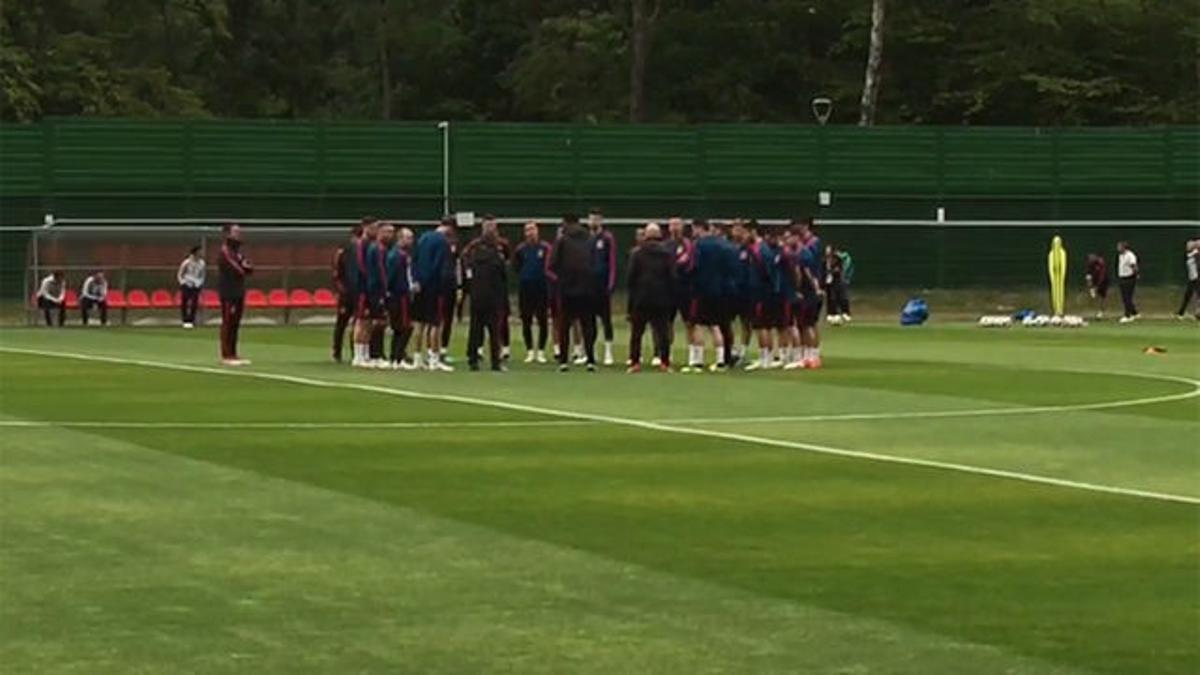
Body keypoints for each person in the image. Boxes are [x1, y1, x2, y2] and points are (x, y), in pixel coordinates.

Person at [547, 213, 599, 371]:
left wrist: (561, 278)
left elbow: (552, 263)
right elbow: (595, 262)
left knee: (565, 325)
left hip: (567, 289)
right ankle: (590, 359)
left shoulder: (562, 240)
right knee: (588, 324)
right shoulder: (590, 239)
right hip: (587, 288)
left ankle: (563, 361)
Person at [626, 222, 676, 372]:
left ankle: (635, 362)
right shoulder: (667, 254)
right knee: (662, 333)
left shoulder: (637, 253)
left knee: (636, 333)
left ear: (646, 236)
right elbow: (672, 277)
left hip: (641, 299)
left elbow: (630, 278)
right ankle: (664, 363)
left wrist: (632, 298)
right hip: (661, 299)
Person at [686, 219, 734, 372]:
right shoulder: (723, 245)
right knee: (715, 325)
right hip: (719, 290)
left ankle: (698, 361)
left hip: (702, 289)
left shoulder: (698, 245)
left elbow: (693, 266)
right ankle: (720, 361)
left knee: (699, 324)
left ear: (700, 228)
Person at [464, 225, 509, 371]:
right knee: (494, 331)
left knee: (475, 329)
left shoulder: (474, 254)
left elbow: (467, 268)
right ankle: (495, 362)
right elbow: (503, 276)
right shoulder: (497, 256)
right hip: (493, 297)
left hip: (477, 296)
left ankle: (472, 359)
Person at [413, 219, 455, 371]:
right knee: (435, 324)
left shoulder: (422, 238)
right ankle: (434, 359)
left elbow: (415, 260)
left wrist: (417, 280)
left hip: (420, 287)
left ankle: (417, 358)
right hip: (434, 287)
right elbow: (438, 265)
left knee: (419, 323)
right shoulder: (442, 242)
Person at [512, 221, 551, 363]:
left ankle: (541, 351)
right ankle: (529, 351)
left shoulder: (545, 247)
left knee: (543, 320)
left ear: (537, 231)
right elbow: (516, 267)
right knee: (526, 320)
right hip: (525, 288)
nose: (530, 232)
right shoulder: (520, 249)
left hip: (542, 288)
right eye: (528, 230)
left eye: (533, 229)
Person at [218, 223, 253, 365]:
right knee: (228, 322)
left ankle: (233, 353)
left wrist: (246, 268)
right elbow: (236, 268)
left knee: (236, 323)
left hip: (238, 290)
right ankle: (226, 354)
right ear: (228, 234)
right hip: (228, 291)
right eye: (235, 232)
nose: (239, 234)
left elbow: (248, 266)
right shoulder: (225, 250)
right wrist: (243, 269)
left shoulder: (238, 251)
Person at [331, 221, 364, 362]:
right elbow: (336, 271)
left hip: (354, 291)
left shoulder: (361, 250)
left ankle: (353, 352)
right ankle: (337, 352)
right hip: (347, 292)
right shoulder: (344, 251)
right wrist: (341, 289)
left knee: (354, 322)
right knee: (343, 323)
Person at [793, 218, 824, 369]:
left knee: (808, 324)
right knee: (808, 323)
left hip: (809, 289)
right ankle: (812, 354)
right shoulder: (808, 247)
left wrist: (815, 287)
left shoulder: (809, 247)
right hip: (812, 288)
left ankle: (812, 355)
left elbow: (807, 271)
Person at [589, 208, 618, 365]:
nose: (593, 222)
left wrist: (610, 283)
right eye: (591, 219)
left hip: (602, 286)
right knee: (589, 320)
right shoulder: (587, 238)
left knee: (606, 320)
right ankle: (591, 352)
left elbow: (612, 261)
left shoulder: (607, 238)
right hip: (588, 287)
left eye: (596, 219)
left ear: (601, 221)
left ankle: (608, 352)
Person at [350, 218, 381, 366]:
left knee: (369, 322)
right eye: (374, 227)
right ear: (365, 227)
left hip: (370, 288)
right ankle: (357, 355)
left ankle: (366, 353)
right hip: (362, 288)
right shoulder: (360, 244)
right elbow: (362, 266)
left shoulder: (371, 244)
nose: (376, 230)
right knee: (361, 320)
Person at [386, 227, 417, 368]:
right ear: (401, 238)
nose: (411, 241)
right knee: (405, 327)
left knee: (400, 327)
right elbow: (392, 276)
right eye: (408, 238)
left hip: (401, 293)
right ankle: (398, 358)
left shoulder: (401, 254)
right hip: (400, 295)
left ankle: (395, 357)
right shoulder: (397, 256)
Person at [177, 246, 206, 329]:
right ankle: (185, 320)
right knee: (184, 303)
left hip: (196, 285)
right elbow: (180, 274)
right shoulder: (186, 262)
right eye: (199, 251)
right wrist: (183, 283)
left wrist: (199, 283)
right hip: (187, 284)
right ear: (195, 252)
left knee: (194, 303)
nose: (201, 253)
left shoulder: (202, 263)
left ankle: (191, 320)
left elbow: (202, 275)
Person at [1175, 239, 1199, 320]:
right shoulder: (1189, 254)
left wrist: (1196, 244)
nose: (1187, 247)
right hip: (1192, 279)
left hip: (1197, 278)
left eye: (1189, 245)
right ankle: (1181, 313)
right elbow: (1189, 256)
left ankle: (1196, 314)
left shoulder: (1197, 254)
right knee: (1187, 296)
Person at [1116, 241, 1139, 323]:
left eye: (1119, 247)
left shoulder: (1130, 255)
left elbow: (1134, 266)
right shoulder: (1120, 255)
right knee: (1125, 297)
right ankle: (1135, 313)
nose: (1117, 248)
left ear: (1124, 247)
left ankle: (1127, 315)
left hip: (1129, 278)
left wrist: (1136, 275)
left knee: (1127, 297)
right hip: (1122, 278)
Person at [1084, 253, 1109, 320]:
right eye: (1089, 260)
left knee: (1102, 296)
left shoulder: (1101, 263)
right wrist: (1091, 287)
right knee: (1094, 296)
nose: (1090, 261)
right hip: (1095, 279)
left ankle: (1101, 312)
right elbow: (1088, 276)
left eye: (1091, 259)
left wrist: (1097, 287)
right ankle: (1095, 311)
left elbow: (1102, 276)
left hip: (1103, 281)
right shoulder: (1089, 265)